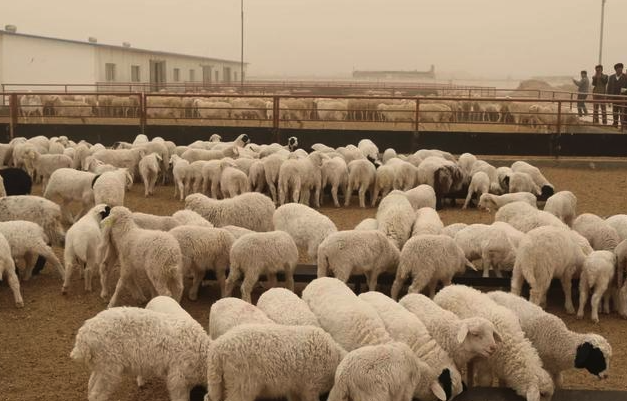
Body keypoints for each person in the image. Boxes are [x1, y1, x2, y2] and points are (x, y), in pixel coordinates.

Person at [607, 63, 627, 129]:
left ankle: (623, 126)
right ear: (616, 70)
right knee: (615, 112)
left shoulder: (625, 77)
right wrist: (608, 99)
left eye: (621, 69)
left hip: (623, 99)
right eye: (619, 69)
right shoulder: (611, 77)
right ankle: (615, 124)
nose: (620, 70)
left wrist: (624, 92)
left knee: (623, 112)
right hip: (614, 98)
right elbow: (609, 88)